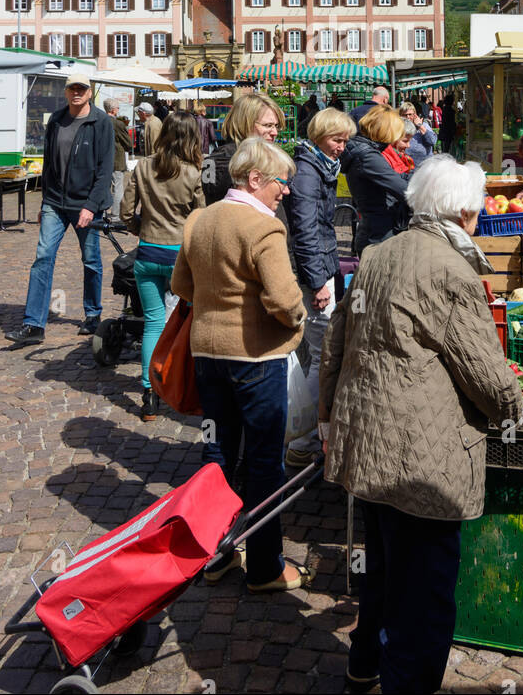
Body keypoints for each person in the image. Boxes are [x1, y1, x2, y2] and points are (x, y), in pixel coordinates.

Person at [319, 155, 523, 695]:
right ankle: (406, 684)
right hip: (421, 457)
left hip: (370, 441)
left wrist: (327, 417)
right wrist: (513, 407)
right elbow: (487, 374)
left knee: (384, 568)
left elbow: (334, 344)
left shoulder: (378, 254)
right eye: (476, 214)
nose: (478, 222)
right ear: (461, 213)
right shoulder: (449, 271)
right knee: (426, 592)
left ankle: (364, 665)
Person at [171, 137, 310, 592]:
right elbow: (285, 300)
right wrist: (297, 322)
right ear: (255, 179)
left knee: (217, 456)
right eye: (280, 182)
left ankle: (215, 553)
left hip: (207, 356)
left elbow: (182, 286)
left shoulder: (200, 220)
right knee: (266, 462)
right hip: (255, 359)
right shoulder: (262, 228)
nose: (284, 191)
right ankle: (266, 567)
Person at [8, 73, 113, 346]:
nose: (76, 92)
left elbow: (105, 171)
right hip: (55, 202)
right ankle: (33, 325)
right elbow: (49, 164)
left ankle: (92, 315)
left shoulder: (101, 122)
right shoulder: (55, 120)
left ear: (89, 93)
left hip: (86, 204)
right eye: (72, 89)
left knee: (91, 261)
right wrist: (45, 201)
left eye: (81, 88)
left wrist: (91, 206)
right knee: (43, 258)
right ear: (66, 93)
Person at [283, 108, 357, 468]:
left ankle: (306, 432)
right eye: (336, 139)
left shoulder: (320, 166)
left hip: (325, 267)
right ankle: (304, 437)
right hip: (316, 274)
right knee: (321, 354)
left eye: (345, 140)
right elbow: (306, 232)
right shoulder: (309, 173)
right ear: (318, 136)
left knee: (317, 353)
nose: (342, 147)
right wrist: (317, 283)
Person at [121, 111, 206, 420]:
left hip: (147, 254)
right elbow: (201, 217)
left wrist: (142, 231)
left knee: (153, 325)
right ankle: (184, 382)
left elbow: (126, 212)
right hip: (179, 257)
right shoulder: (193, 173)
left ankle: (149, 393)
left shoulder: (143, 167)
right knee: (187, 323)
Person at [341, 106, 411, 253]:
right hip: (378, 237)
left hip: (375, 232)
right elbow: (403, 190)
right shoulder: (367, 156)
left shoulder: (367, 150)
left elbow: (397, 177)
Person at [202, 92, 285, 205]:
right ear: (246, 123)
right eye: (268, 125)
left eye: (276, 126)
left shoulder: (216, 159)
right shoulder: (232, 162)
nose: (275, 132)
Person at [104, 98, 132, 218]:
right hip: (116, 159)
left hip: (103, 159)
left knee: (104, 187)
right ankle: (115, 215)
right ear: (114, 109)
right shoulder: (118, 124)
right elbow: (128, 144)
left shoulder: (100, 121)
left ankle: (103, 213)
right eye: (118, 107)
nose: (118, 110)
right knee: (117, 188)